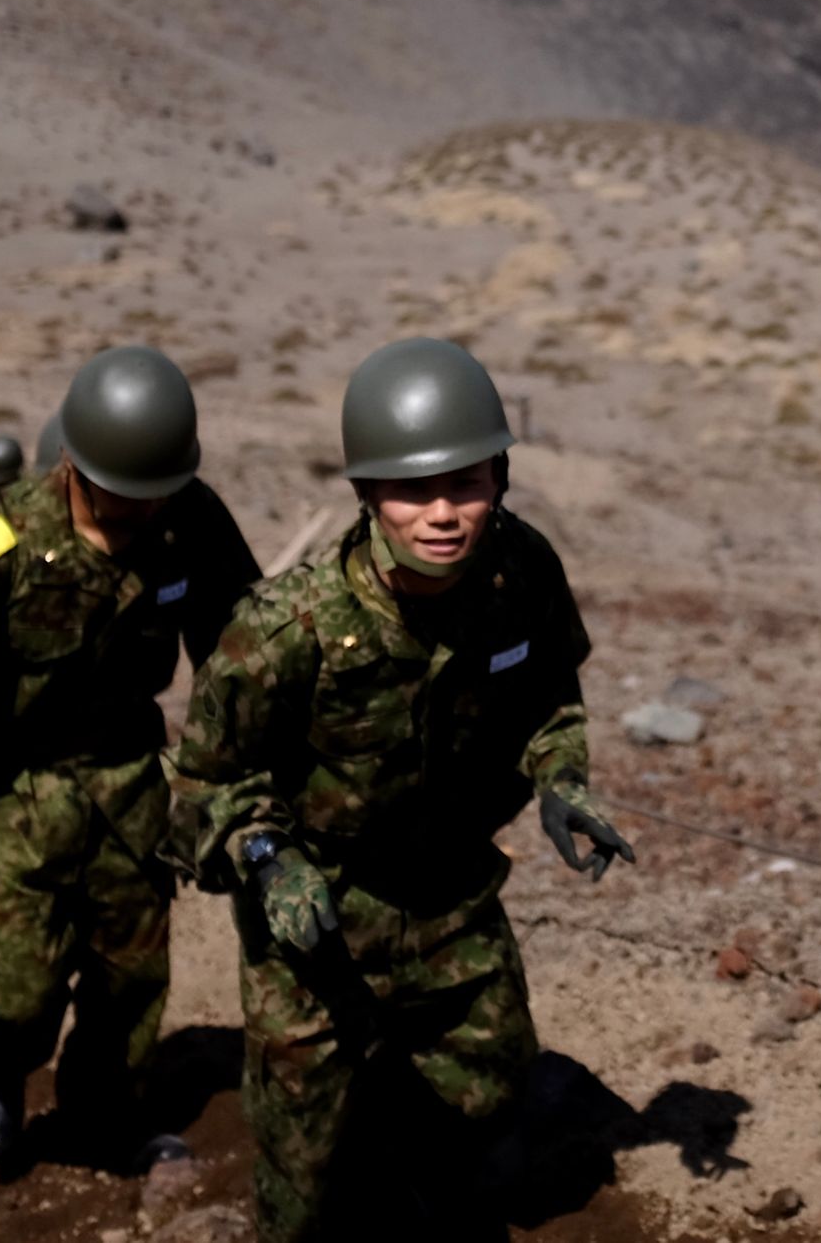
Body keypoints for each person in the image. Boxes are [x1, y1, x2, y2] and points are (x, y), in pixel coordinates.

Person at [173, 338, 632, 1241]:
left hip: (450, 895)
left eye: (467, 483)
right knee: (302, 1184)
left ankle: (419, 1179)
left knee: (491, 1108)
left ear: (500, 477)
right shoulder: (285, 630)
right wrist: (266, 860)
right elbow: (203, 790)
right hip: (315, 917)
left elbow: (550, 699)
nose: (444, 514)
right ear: (368, 495)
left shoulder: (522, 574)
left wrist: (561, 779)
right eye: (413, 490)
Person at [0, 346, 258, 1168]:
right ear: (74, 462)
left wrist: (230, 782)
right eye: (123, 492)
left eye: (157, 494)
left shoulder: (189, 517)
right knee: (17, 992)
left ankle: (104, 1109)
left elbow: (246, 647)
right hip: (9, 790)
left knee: (131, 978)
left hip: (126, 780)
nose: (141, 514)